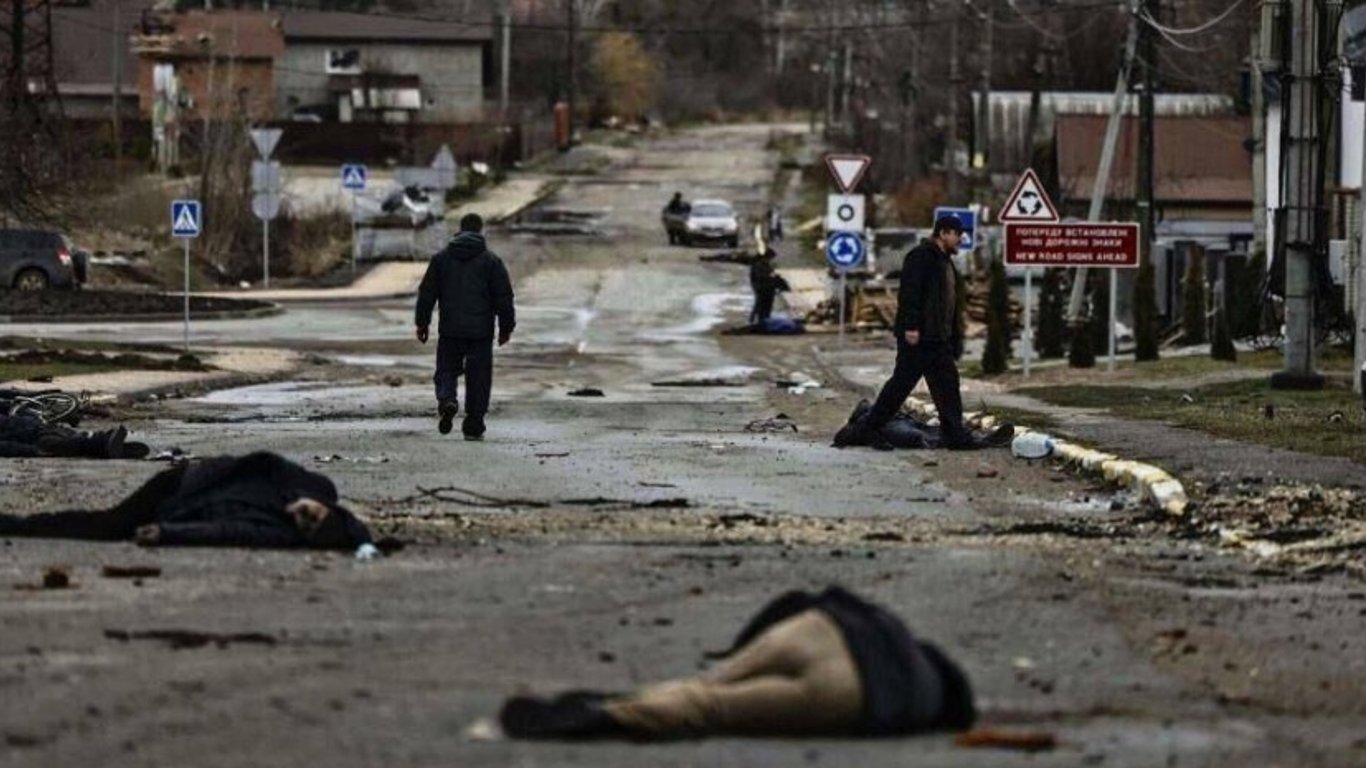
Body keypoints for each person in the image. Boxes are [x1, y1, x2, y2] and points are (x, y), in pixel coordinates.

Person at [498, 586, 976, 740]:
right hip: (852, 690)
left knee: (713, 682)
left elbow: (800, 600)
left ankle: (653, 694)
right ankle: (614, 715)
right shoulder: (923, 702)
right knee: (712, 708)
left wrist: (738, 650)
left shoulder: (897, 631)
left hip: (821, 628)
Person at [0, 451, 372, 550]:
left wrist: (167, 533)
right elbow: (263, 459)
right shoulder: (313, 485)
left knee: (108, 526)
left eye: (306, 527)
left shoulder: (284, 533)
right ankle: (15, 525)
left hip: (179, 507)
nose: (301, 517)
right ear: (325, 508)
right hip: (184, 484)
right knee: (108, 526)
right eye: (313, 515)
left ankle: (16, 525)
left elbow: (229, 533)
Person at [839, 215, 980, 451]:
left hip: (938, 339)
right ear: (943, 233)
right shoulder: (921, 257)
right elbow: (910, 294)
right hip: (920, 338)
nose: (960, 240)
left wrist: (954, 337)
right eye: (957, 235)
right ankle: (869, 428)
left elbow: (949, 304)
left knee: (947, 385)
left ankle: (955, 435)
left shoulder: (945, 262)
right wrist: (911, 326)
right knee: (900, 386)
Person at [415, 213, 516, 441]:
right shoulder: (491, 262)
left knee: (446, 369)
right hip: (481, 332)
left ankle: (447, 400)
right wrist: (506, 327)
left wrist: (422, 323)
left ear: (459, 230)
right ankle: (473, 424)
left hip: (450, 330)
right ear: (480, 231)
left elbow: (427, 293)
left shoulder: (441, 259)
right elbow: (504, 297)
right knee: (479, 377)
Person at [0, 412, 148, 459]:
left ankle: (103, 443)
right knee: (55, 444)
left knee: (62, 442)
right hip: (38, 435)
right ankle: (105, 444)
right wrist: (30, 451)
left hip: (40, 430)